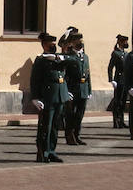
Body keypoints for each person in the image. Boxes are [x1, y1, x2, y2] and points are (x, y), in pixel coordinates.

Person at [29, 31, 68, 163]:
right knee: (45, 126)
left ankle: (51, 151)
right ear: (44, 45)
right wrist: (35, 98)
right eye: (50, 44)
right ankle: (42, 152)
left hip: (59, 96)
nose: (53, 46)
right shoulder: (40, 60)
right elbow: (34, 80)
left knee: (55, 127)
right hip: (47, 97)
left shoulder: (59, 58)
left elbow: (72, 63)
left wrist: (62, 58)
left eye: (53, 44)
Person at [66, 31, 90, 145]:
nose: (80, 43)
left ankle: (77, 134)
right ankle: (69, 136)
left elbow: (88, 74)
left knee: (80, 114)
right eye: (77, 41)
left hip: (83, 89)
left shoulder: (85, 57)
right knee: (71, 115)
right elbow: (65, 75)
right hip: (72, 89)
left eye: (81, 41)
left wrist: (89, 90)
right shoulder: (69, 57)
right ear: (72, 43)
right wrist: (67, 91)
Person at [106, 34, 129, 129]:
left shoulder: (126, 54)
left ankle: (121, 120)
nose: (126, 43)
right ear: (120, 42)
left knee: (123, 101)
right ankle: (116, 121)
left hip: (125, 80)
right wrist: (111, 80)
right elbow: (110, 67)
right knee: (117, 101)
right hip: (119, 80)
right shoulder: (115, 53)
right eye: (125, 42)